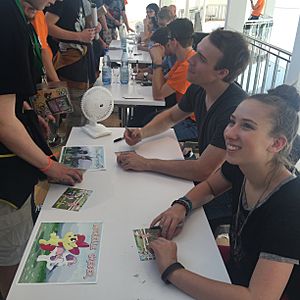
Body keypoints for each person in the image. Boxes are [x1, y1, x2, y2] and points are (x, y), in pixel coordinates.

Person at [149, 84, 300, 300]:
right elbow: (210, 187)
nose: (229, 132)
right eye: (232, 121)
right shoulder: (243, 164)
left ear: (277, 143)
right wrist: (182, 205)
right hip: (236, 271)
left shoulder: (291, 205)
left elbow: (258, 297)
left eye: (247, 126)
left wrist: (172, 269)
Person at [0, 0, 83, 298]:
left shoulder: (17, 15)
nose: (52, 1)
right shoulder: (6, 16)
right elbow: (3, 124)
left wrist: (27, 111)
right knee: (13, 264)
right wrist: (51, 166)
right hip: (6, 179)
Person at [128, 19, 196, 129]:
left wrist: (157, 62)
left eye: (168, 39)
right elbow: (163, 81)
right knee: (142, 113)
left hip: (191, 122)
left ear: (173, 41)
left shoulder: (187, 65)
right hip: (180, 112)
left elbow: (158, 95)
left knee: (146, 124)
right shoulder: (183, 59)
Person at [46, 0, 100, 132]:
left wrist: (95, 26)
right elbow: (46, 25)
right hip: (70, 63)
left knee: (83, 112)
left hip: (85, 62)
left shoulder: (84, 2)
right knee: (75, 114)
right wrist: (79, 36)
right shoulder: (62, 1)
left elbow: (84, 24)